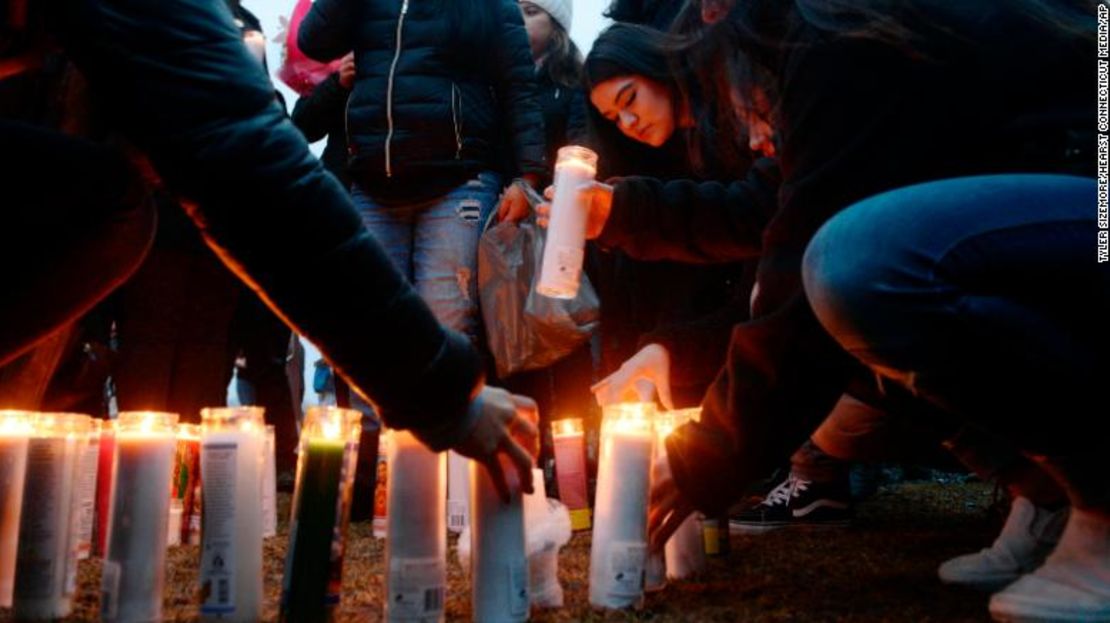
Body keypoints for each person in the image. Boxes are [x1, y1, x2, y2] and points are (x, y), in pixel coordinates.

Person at [549, 1, 1100, 618]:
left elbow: (798, 267)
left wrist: (710, 458)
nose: (757, 139)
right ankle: (1048, 495)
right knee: (844, 302)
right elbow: (770, 209)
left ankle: (1103, 504)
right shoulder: (807, 52)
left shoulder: (833, 42)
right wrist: (623, 215)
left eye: (748, 116)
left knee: (852, 266)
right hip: (1052, 205)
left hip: (1086, 199)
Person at [1, 0, 538, 500]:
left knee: (101, 198)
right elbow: (247, 151)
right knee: (107, 204)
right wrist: (441, 392)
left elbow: (238, 148)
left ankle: (427, 491)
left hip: (453, 177)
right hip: (373, 181)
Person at [298, 0, 546, 350]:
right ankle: (376, 408)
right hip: (372, 182)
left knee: (447, 322)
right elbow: (313, 42)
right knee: (372, 324)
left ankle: (448, 406)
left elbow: (519, 84)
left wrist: (528, 177)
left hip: (460, 182)